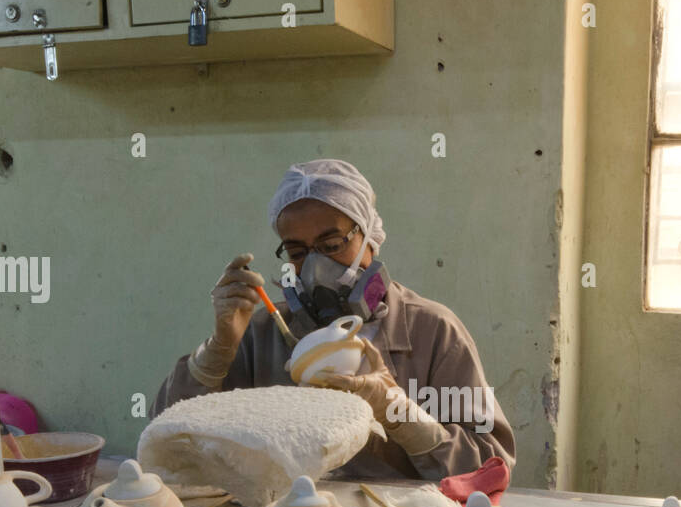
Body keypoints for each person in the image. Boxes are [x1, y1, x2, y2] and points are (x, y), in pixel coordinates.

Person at [152, 159, 515, 480]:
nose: (315, 267)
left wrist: (399, 415)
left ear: (370, 238)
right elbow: (167, 442)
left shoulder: (434, 332)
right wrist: (216, 353)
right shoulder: (260, 333)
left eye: (332, 245)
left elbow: (490, 466)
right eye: (297, 252)